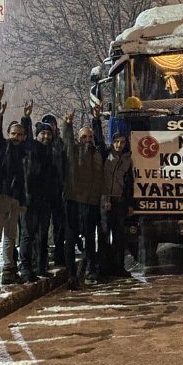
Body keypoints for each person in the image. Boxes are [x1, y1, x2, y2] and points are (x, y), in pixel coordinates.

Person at [0, 85, 28, 292]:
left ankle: (9, 271)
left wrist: (22, 202)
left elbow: (22, 180)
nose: (16, 137)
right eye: (14, 133)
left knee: (10, 238)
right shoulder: (0, 146)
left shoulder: (22, 153)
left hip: (14, 200)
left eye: (20, 134)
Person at [61, 111, 104, 290]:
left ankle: (90, 269)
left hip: (91, 203)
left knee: (89, 238)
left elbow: (100, 139)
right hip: (74, 201)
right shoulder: (74, 152)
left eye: (90, 136)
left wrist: (96, 119)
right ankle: (71, 274)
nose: (87, 139)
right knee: (70, 239)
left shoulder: (97, 153)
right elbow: (68, 141)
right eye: (84, 137)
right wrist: (68, 124)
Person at [92, 105, 134, 278]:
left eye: (122, 142)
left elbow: (130, 182)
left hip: (120, 201)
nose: (119, 145)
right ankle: (102, 268)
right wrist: (96, 119)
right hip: (105, 201)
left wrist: (130, 203)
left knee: (119, 237)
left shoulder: (128, 159)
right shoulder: (105, 154)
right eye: (116, 142)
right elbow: (98, 138)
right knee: (103, 235)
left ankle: (119, 267)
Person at [20, 101, 56, 282]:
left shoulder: (50, 151)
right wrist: (26, 117)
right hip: (29, 199)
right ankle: (26, 269)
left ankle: (40, 266)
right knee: (28, 235)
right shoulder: (31, 148)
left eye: (49, 133)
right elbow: (25, 138)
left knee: (42, 235)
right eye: (43, 133)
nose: (46, 136)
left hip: (45, 200)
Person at [41, 113, 68, 269]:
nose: (50, 127)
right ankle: (42, 257)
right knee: (43, 226)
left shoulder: (59, 143)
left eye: (52, 124)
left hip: (58, 189)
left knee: (59, 225)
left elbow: (65, 165)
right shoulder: (41, 144)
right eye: (46, 124)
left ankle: (59, 254)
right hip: (44, 191)